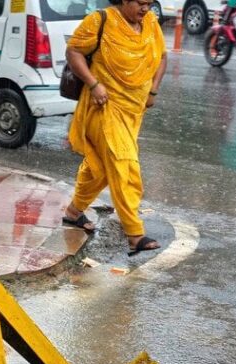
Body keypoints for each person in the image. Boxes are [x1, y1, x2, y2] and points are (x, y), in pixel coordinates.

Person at [62, 0, 167, 257]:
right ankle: (134, 234)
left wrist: (153, 89)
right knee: (124, 163)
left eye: (149, 3)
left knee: (98, 169)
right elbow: (74, 51)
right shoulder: (101, 21)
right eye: (140, 3)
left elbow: (162, 57)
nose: (146, 9)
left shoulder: (150, 23)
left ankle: (73, 213)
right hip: (104, 108)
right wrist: (93, 84)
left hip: (134, 111)